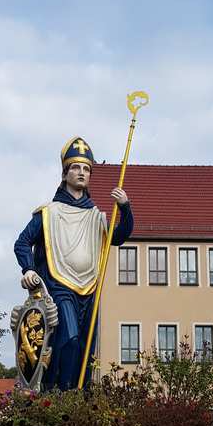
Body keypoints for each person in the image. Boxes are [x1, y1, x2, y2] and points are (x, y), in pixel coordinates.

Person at [14, 136, 133, 390]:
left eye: (86, 169)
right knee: (68, 337)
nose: (81, 173)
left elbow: (120, 237)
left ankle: (81, 393)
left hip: (89, 286)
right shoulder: (48, 213)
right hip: (60, 285)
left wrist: (125, 208)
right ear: (65, 173)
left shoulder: (97, 216)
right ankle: (58, 391)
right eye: (76, 168)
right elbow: (22, 243)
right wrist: (29, 269)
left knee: (87, 346)